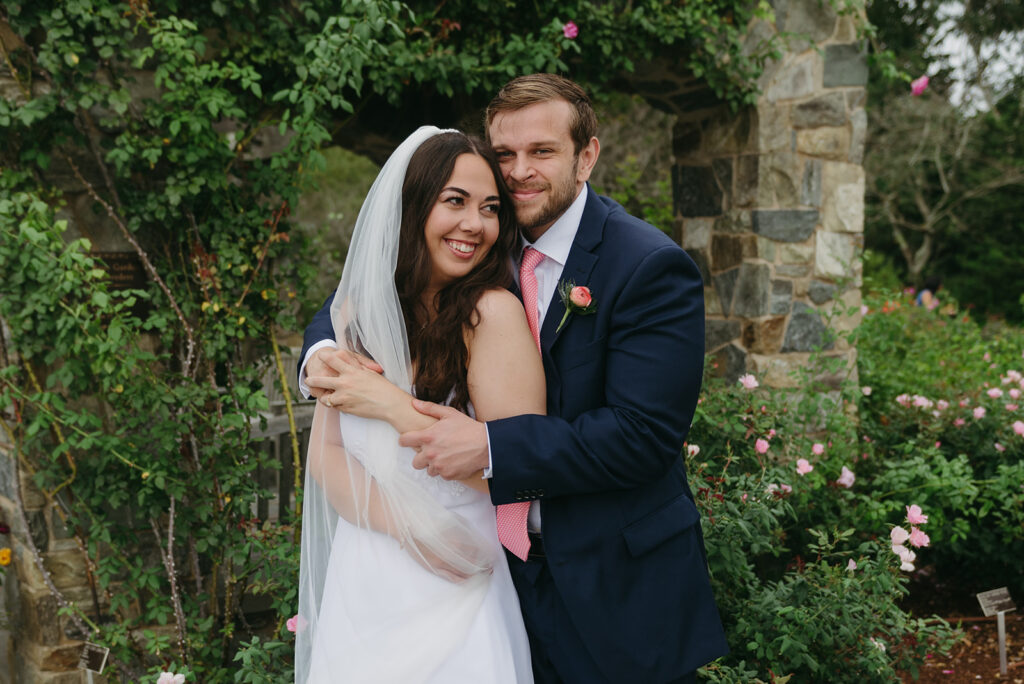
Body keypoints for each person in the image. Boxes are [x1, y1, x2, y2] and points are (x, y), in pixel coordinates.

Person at [303, 74, 728, 683]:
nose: (519, 171)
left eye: (542, 152)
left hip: (613, 584)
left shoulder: (648, 266)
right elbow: (356, 299)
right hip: (495, 573)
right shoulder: (479, 245)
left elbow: (643, 436)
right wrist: (320, 352)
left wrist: (488, 446)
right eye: (505, 155)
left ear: (587, 156)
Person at [295, 127, 544, 683]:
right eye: (454, 201)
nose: (474, 225)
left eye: (490, 208)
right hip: (366, 578)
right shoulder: (356, 313)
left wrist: (388, 403)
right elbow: (327, 456)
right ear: (411, 210)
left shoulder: (492, 314)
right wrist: (404, 529)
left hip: (459, 577)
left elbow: (525, 472)